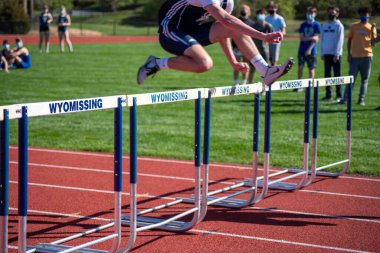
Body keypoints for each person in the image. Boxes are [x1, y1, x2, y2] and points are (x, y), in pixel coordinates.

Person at [137, 0, 294, 86]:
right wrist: (262, 35)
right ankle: (157, 63)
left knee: (235, 26)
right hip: (170, 30)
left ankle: (265, 70)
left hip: (193, 32)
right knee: (204, 64)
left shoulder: (228, 3)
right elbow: (226, 20)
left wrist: (232, 61)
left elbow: (226, 28)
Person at [341, 7, 377, 106]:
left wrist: (374, 34)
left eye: (365, 14)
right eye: (361, 14)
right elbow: (349, 41)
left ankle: (361, 100)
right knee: (350, 79)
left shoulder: (371, 27)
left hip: (367, 57)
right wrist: (349, 54)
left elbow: (373, 43)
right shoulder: (354, 26)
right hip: (355, 57)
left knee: (364, 80)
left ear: (369, 14)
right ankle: (345, 99)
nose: (363, 16)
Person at [320, 6, 344, 102]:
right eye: (330, 12)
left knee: (337, 75)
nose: (331, 14)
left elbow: (340, 41)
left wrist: (337, 54)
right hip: (326, 54)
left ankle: (339, 95)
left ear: (337, 14)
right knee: (327, 75)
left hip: (335, 55)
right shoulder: (324, 25)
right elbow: (322, 39)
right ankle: (328, 95)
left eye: (333, 13)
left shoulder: (339, 26)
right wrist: (322, 52)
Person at [296, 6, 320, 92]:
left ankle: (310, 85)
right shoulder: (303, 24)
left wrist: (309, 49)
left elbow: (316, 39)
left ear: (315, 14)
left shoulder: (317, 25)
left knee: (311, 68)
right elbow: (301, 38)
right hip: (301, 50)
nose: (309, 15)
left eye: (311, 13)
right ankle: (299, 85)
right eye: (308, 13)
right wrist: (311, 38)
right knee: (300, 67)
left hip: (311, 51)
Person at [231, 4, 255, 85]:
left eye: (245, 9)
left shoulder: (251, 23)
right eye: (242, 8)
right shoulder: (236, 20)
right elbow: (232, 34)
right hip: (236, 48)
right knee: (236, 65)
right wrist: (234, 46)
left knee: (246, 66)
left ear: (249, 11)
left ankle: (244, 84)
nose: (243, 10)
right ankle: (236, 83)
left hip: (246, 48)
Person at [250, 8, 273, 83]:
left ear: (265, 15)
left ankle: (266, 86)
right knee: (252, 69)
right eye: (258, 14)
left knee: (266, 70)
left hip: (265, 51)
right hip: (254, 51)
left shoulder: (268, 26)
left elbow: (272, 38)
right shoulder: (253, 26)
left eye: (262, 14)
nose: (260, 16)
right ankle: (249, 85)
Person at [265, 1, 286, 66]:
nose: (272, 9)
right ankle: (268, 74)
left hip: (275, 42)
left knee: (274, 61)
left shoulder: (279, 18)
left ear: (276, 9)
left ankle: (274, 74)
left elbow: (283, 31)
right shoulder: (266, 18)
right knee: (267, 59)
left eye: (273, 8)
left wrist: (279, 36)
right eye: (270, 8)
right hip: (266, 41)